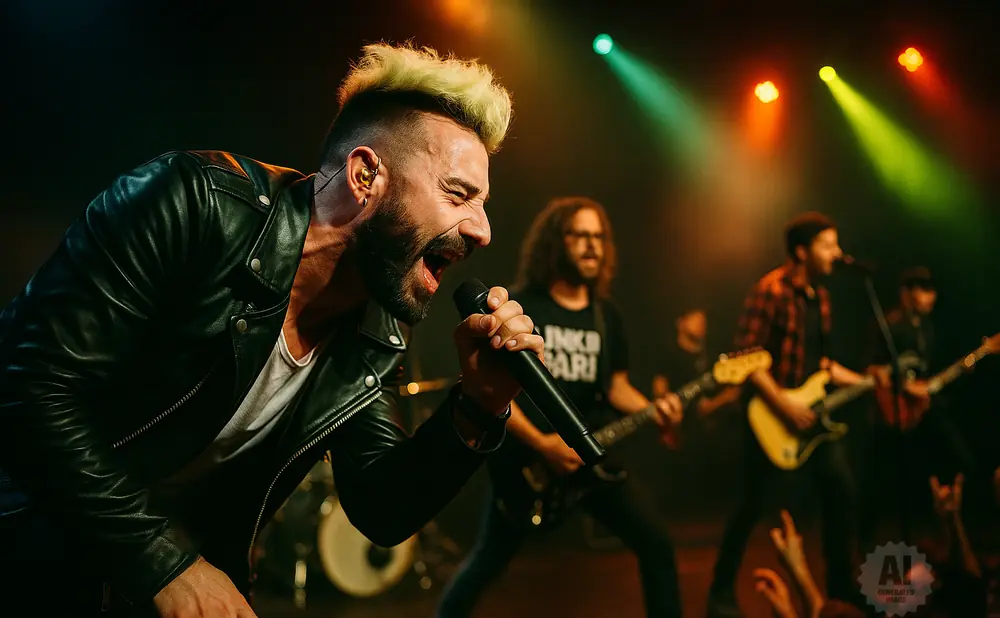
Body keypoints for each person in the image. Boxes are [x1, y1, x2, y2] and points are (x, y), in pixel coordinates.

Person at [0, 43, 544, 617]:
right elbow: (27, 387)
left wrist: (479, 406)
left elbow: (384, 509)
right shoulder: (194, 205)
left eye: (482, 204)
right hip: (30, 551)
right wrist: (165, 565)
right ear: (365, 175)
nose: (482, 230)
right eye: (458, 194)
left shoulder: (372, 331)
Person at [435, 196, 686, 617]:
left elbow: (616, 386)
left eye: (599, 238)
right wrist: (543, 444)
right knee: (485, 562)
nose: (592, 246)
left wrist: (653, 408)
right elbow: (491, 391)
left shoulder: (607, 315)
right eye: (580, 236)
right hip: (528, 465)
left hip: (589, 457)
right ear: (556, 242)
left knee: (657, 543)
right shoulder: (519, 308)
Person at [706, 212, 868, 617]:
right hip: (769, 416)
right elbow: (747, 359)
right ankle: (720, 594)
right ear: (802, 251)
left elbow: (824, 364)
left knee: (841, 490)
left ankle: (841, 593)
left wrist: (869, 382)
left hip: (808, 417)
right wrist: (785, 405)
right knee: (749, 505)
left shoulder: (821, 298)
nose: (837, 253)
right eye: (828, 245)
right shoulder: (770, 291)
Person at [861, 267, 975, 545]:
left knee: (955, 457)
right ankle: (868, 545)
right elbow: (873, 370)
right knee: (882, 480)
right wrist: (904, 387)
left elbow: (925, 375)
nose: (930, 298)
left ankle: (950, 529)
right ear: (907, 294)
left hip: (921, 408)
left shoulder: (927, 328)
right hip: (892, 412)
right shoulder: (889, 326)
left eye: (932, 291)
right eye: (924, 291)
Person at [653, 308, 740, 421]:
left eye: (703, 320)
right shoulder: (669, 356)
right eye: (694, 317)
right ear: (680, 322)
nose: (701, 322)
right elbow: (659, 391)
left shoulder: (713, 355)